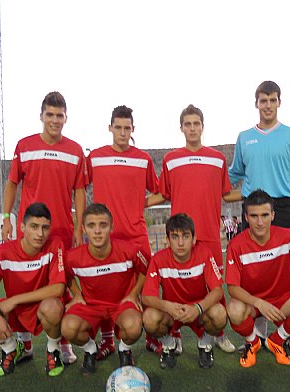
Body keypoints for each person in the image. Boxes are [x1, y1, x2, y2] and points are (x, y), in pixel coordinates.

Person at [228, 80, 290, 354]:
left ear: (279, 102)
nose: (267, 105)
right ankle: (257, 332)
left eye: (272, 100)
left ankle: (288, 334)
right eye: (263, 100)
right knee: (252, 270)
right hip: (253, 208)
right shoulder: (244, 137)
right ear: (256, 103)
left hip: (282, 207)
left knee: (288, 269)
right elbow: (233, 174)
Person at [0, 91, 85, 365]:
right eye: (50, 115)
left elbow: (80, 190)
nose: (55, 120)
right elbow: (12, 183)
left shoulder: (75, 151)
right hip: (32, 233)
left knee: (62, 289)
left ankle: (63, 343)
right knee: (24, 282)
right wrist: (6, 217)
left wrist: (79, 227)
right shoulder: (24, 146)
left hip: (61, 231)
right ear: (41, 116)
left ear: (66, 118)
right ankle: (24, 343)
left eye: (59, 115)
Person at [151, 104, 238, 354]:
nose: (192, 128)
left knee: (214, 287)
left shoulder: (217, 158)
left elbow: (227, 193)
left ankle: (217, 333)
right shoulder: (170, 159)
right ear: (181, 128)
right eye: (187, 124)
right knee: (174, 285)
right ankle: (174, 332)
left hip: (209, 234)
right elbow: (161, 195)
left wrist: (260, 190)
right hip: (180, 235)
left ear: (202, 126)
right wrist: (132, 203)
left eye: (196, 123)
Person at [85, 105, 161, 358]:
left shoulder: (143, 158)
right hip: (106, 236)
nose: (122, 132)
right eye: (117, 127)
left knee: (147, 285)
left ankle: (152, 334)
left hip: (137, 234)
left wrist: (139, 203)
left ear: (133, 129)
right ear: (110, 128)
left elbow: (159, 192)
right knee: (106, 288)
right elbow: (77, 185)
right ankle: (107, 339)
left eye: (127, 128)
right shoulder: (95, 157)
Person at [0, 203, 66, 377]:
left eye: (45, 228)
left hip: (41, 307)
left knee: (53, 308)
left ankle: (53, 350)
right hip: (14, 311)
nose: (40, 234)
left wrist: (15, 299)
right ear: (22, 227)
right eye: (34, 227)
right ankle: (10, 348)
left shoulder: (55, 245)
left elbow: (58, 288)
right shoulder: (2, 252)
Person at [225, 190, 290, 368]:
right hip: (253, 303)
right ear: (246, 217)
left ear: (273, 215)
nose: (260, 222)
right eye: (254, 216)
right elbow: (232, 287)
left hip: (281, 301)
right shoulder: (236, 244)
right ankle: (253, 342)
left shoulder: (287, 236)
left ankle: (277, 341)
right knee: (233, 310)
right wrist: (259, 303)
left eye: (264, 215)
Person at [61, 203, 147, 375]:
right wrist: (77, 294)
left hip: (121, 304)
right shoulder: (73, 257)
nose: (97, 231)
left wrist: (133, 293)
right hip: (91, 305)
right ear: (84, 229)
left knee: (134, 326)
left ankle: (124, 350)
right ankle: (90, 350)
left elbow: (145, 270)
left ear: (112, 227)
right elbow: (67, 276)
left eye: (103, 225)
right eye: (91, 226)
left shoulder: (129, 250)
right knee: (68, 327)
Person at [142, 214, 227, 369]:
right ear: (167, 240)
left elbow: (218, 291)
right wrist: (168, 306)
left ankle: (205, 345)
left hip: (197, 311)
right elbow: (147, 297)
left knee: (219, 314)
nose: (180, 243)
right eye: (175, 237)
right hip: (172, 312)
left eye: (186, 236)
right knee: (149, 318)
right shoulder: (159, 259)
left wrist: (198, 308)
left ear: (194, 239)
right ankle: (169, 344)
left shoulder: (204, 253)